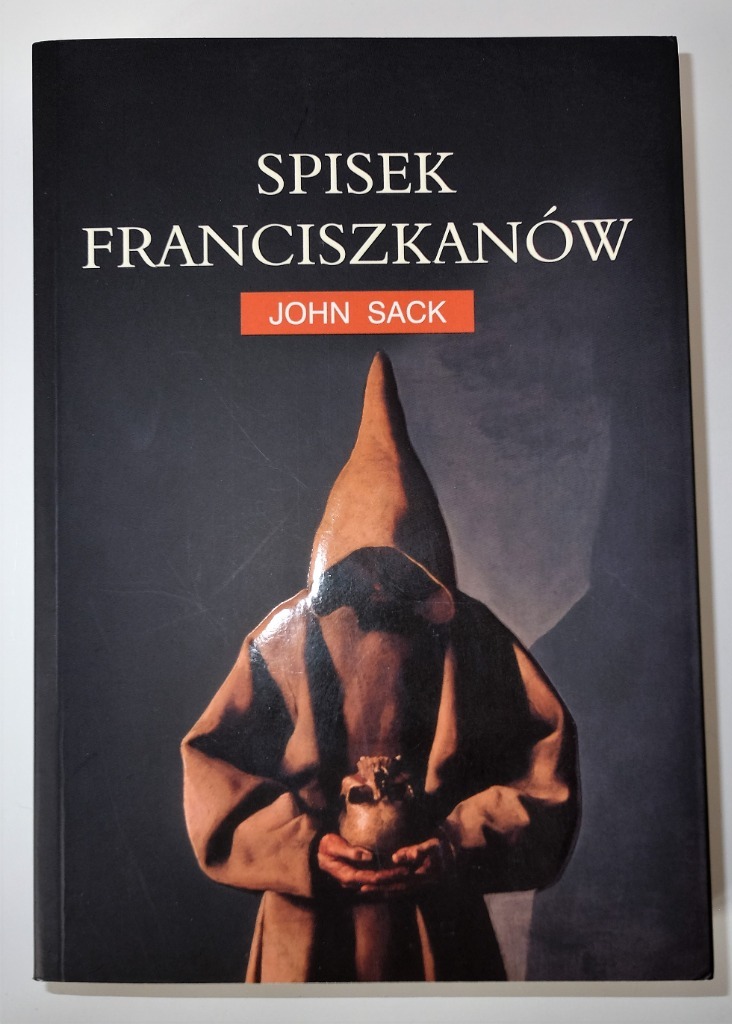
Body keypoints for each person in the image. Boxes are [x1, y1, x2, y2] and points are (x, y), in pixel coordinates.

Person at [181, 352, 579, 982]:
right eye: (361, 561)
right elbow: (213, 766)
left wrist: (454, 845)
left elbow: (544, 770)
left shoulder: (472, 636)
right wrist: (306, 849)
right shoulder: (284, 639)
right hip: (307, 922)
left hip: (434, 922)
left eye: (397, 563)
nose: (378, 581)